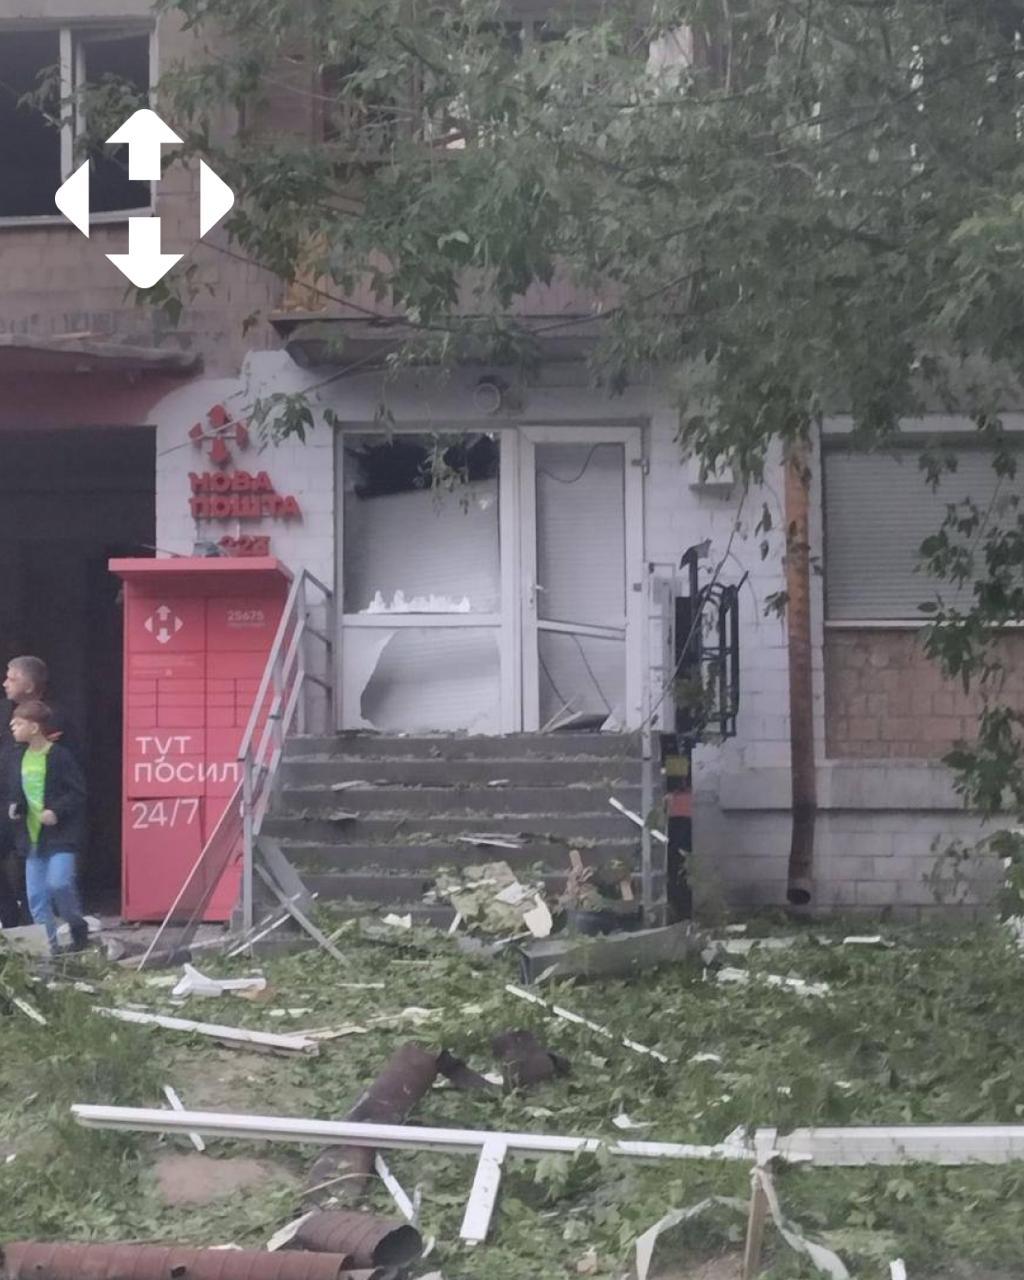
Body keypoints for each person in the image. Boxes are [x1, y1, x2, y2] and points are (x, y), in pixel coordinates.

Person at [5, 699, 89, 953]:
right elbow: (18, 790)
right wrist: (16, 806)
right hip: (31, 837)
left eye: (18, 723)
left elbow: (77, 792)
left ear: (34, 728)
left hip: (60, 835)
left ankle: (76, 925)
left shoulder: (59, 756)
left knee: (59, 884)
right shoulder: (17, 757)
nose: (12, 727)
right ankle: (49, 952)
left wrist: (56, 811)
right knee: (36, 899)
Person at [0, 656, 75, 928]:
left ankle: (34, 927)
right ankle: (8, 918)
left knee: (31, 867)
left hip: (36, 806)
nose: (5, 683)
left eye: (12, 678)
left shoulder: (52, 717)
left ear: (30, 686)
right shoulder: (3, 711)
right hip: (6, 800)